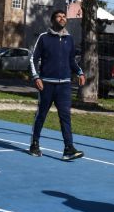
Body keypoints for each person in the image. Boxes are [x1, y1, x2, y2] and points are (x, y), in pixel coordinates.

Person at [28, 9, 86, 160]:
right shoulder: (44, 38)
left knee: (65, 116)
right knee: (41, 115)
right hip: (46, 84)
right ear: (52, 21)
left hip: (64, 86)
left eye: (64, 16)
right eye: (59, 16)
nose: (62, 18)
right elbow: (33, 59)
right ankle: (34, 143)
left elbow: (71, 61)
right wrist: (36, 77)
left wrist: (80, 72)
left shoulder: (70, 39)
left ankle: (68, 148)